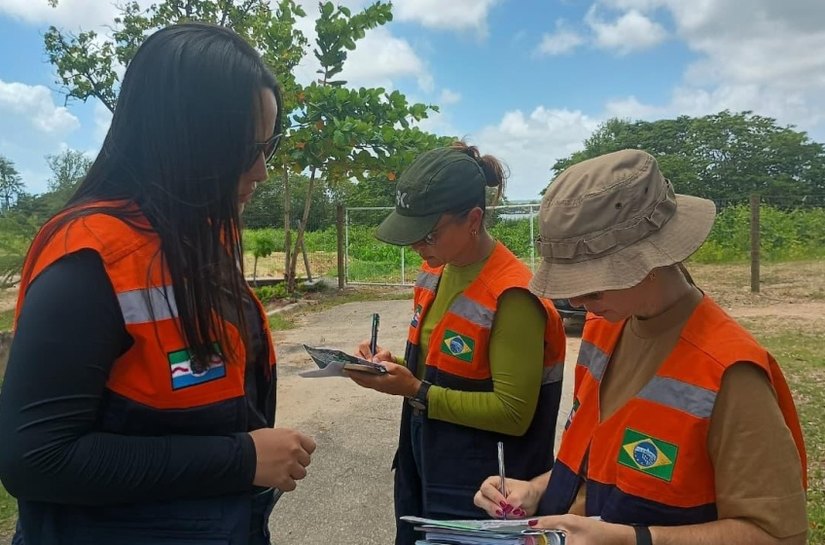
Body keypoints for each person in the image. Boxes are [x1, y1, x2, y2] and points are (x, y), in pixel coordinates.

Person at [0, 23, 316, 545]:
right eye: (245, 149)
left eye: (270, 145)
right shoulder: (90, 260)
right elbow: (37, 458)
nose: (261, 171)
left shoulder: (195, 240)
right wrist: (243, 458)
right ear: (186, 141)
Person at [473, 149, 808, 544]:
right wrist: (538, 489)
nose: (577, 302)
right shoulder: (605, 326)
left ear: (650, 261)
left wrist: (633, 539)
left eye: (590, 287)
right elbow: (601, 461)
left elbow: (775, 534)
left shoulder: (729, 372)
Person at [348, 142, 567, 545]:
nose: (417, 245)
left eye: (428, 234)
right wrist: (389, 365)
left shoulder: (513, 296)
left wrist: (415, 390)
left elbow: (513, 412)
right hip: (426, 465)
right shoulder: (435, 272)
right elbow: (439, 371)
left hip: (486, 491)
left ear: (474, 220)